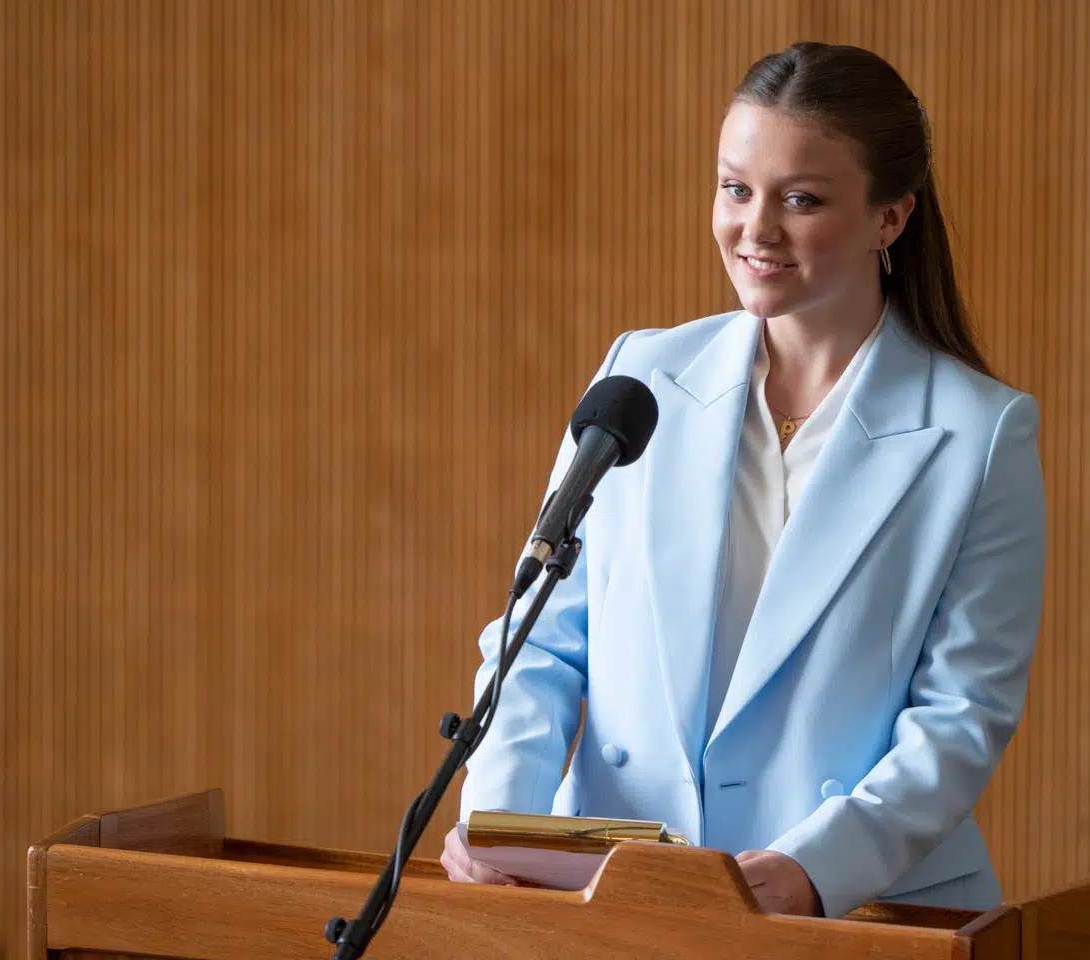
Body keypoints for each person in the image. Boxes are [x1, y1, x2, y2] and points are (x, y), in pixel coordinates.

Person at [441, 41, 1045, 919]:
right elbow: (539, 636)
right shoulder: (638, 376)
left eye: (801, 199)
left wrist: (817, 868)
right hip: (606, 896)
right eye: (736, 188)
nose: (755, 228)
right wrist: (502, 825)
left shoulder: (980, 432)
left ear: (891, 217)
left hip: (857, 908)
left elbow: (961, 714)